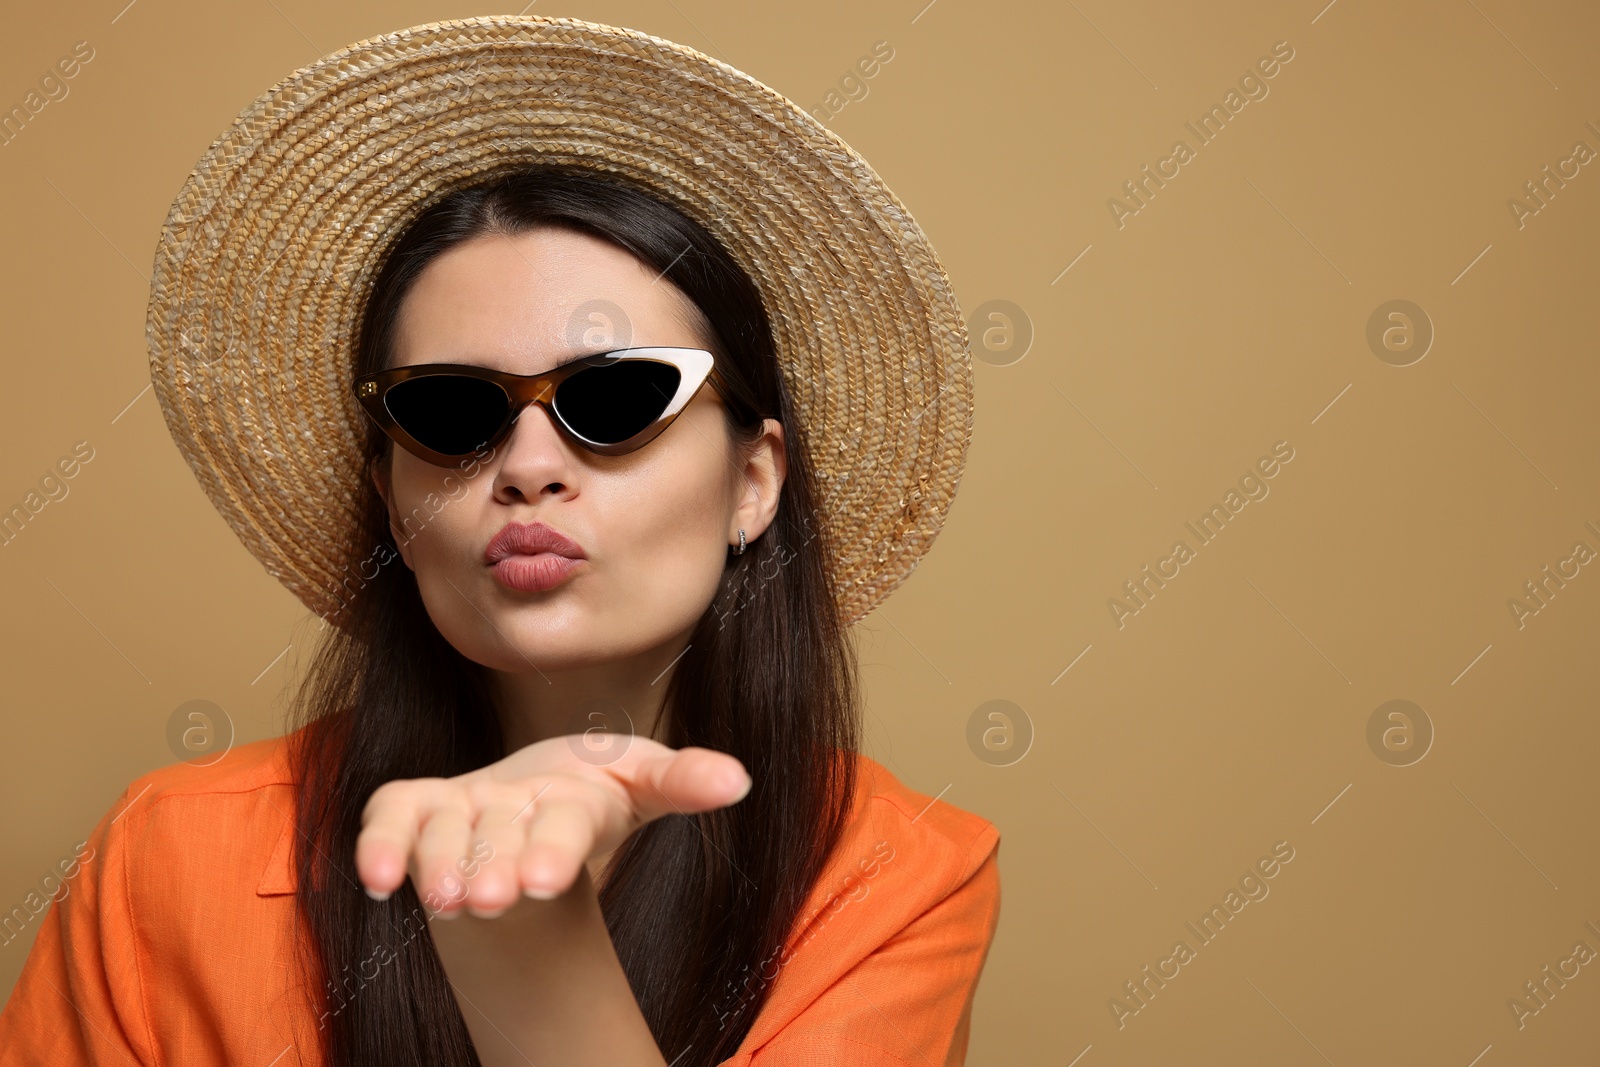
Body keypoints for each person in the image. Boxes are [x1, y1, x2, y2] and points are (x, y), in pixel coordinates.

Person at [0, 15, 998, 1066]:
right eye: (451, 411)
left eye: (616, 397)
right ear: (392, 501)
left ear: (752, 483)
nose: (529, 464)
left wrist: (524, 949)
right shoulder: (167, 853)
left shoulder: (897, 873)